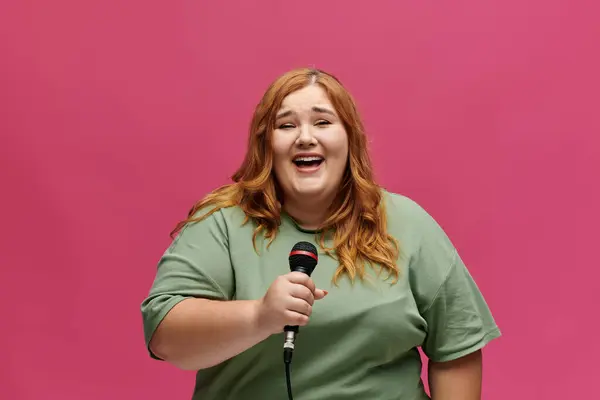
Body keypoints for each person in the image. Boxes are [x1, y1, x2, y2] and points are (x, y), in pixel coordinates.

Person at [140, 67, 501, 400]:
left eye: (323, 122)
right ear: (266, 143)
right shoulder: (221, 222)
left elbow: (457, 349)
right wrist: (259, 317)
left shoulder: (408, 223)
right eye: (286, 126)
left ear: (350, 138)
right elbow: (165, 336)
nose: (305, 138)